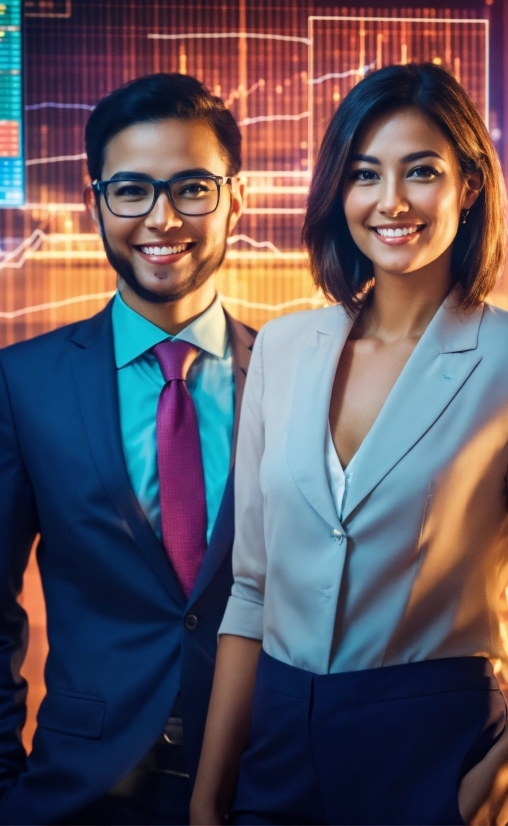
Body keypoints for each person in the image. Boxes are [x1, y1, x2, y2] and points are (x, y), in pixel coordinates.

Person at [190, 63, 508, 826]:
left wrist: (502, 773)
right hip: (274, 745)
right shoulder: (280, 349)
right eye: (365, 173)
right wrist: (209, 798)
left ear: (468, 186)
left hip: (430, 752)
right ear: (339, 192)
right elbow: (251, 591)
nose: (391, 202)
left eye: (422, 172)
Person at [0, 73, 255, 825]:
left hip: (263, 785)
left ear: (234, 200)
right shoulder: (24, 383)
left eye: (192, 189)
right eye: (133, 190)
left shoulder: (296, 376)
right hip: (83, 790)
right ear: (96, 205)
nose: (162, 218)